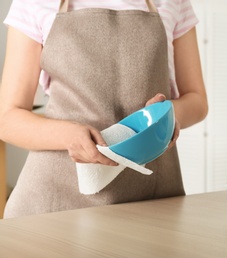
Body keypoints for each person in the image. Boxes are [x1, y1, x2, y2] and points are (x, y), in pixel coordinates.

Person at [0, 0, 208, 218]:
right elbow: (7, 119)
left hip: (150, 201)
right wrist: (68, 135)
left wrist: (166, 115)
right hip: (55, 202)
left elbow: (197, 101)